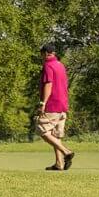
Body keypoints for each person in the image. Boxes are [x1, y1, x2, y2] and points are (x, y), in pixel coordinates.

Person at [36, 43, 75, 171]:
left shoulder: (48, 65)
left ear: (45, 53)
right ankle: (59, 164)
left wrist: (43, 103)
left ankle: (66, 152)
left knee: (42, 130)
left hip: (52, 104)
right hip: (63, 104)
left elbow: (49, 84)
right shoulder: (60, 65)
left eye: (41, 53)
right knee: (56, 134)